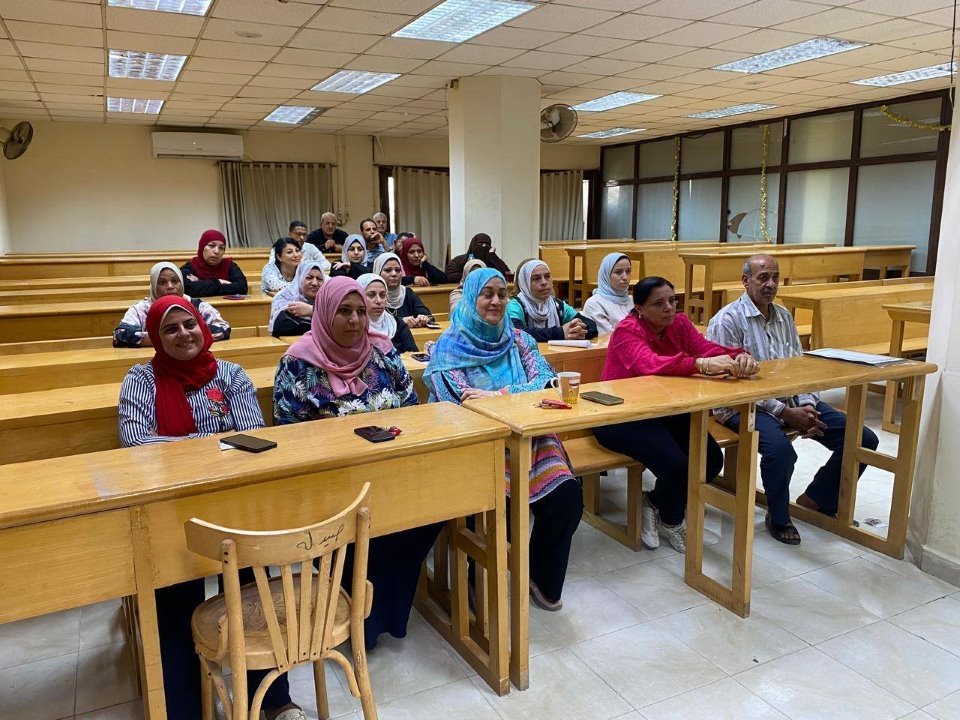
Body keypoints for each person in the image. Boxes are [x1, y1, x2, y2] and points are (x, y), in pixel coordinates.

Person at [118, 295, 303, 720]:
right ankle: (185, 706)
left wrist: (184, 447)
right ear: (155, 337)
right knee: (173, 599)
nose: (183, 334)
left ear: (203, 327)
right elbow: (136, 443)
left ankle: (273, 699)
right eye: (170, 329)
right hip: (169, 507)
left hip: (233, 502)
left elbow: (252, 435)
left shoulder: (230, 373)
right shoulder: (141, 379)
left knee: (253, 590)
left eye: (189, 325)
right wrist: (216, 443)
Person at [272, 276, 442, 649]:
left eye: (361, 312)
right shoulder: (297, 364)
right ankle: (363, 618)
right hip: (331, 482)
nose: (354, 320)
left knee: (437, 506)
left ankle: (384, 611)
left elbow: (413, 411)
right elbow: (289, 438)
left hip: (391, 471)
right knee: (369, 526)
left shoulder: (383, 352)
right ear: (323, 313)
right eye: (344, 311)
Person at [423, 268, 583, 611]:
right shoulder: (448, 347)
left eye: (502, 294)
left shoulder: (519, 339)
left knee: (567, 498)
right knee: (497, 507)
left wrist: (499, 394)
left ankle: (539, 575)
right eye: (487, 294)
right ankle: (476, 577)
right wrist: (515, 396)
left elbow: (546, 382)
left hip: (531, 440)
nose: (496, 301)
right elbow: (459, 402)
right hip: (474, 446)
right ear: (472, 299)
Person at [707, 254, 880, 545]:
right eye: (763, 277)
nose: (771, 284)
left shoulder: (784, 317)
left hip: (788, 399)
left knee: (862, 438)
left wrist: (807, 404)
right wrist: (784, 413)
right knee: (781, 450)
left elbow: (799, 368)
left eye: (775, 277)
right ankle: (778, 516)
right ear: (745, 281)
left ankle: (818, 498)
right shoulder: (728, 319)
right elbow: (731, 384)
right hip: (741, 404)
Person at [593, 276, 758, 553]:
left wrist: (738, 356)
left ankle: (653, 501)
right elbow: (650, 364)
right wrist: (701, 365)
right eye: (659, 303)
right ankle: (672, 521)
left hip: (665, 410)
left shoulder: (678, 323)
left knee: (710, 460)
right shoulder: (627, 331)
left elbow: (706, 349)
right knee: (676, 465)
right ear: (639, 308)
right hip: (620, 416)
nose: (669, 308)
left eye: (672, 301)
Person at [114, 261, 231, 347]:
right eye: (162, 282)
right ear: (153, 286)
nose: (170, 286)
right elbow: (120, 334)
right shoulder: (141, 309)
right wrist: (169, 339)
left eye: (175, 281)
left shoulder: (197, 305)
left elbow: (223, 328)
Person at [507, 259, 598, 342]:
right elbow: (515, 333)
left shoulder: (558, 305)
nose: (544, 282)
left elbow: (591, 326)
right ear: (525, 284)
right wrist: (560, 333)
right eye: (536, 278)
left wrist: (578, 331)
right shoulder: (515, 305)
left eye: (547, 276)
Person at [357, 273, 418, 353]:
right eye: (371, 295)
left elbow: (413, 354)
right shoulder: (354, 327)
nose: (379, 301)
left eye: (382, 295)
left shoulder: (396, 324)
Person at [373, 252, 434, 328]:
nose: (394, 274)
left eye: (398, 270)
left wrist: (424, 318)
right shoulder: (373, 296)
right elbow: (374, 322)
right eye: (388, 270)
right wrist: (401, 321)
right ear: (378, 272)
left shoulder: (407, 293)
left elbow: (428, 316)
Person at [180, 229, 248, 297]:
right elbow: (187, 288)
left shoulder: (229, 266)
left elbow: (242, 287)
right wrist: (219, 282)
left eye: (221, 248)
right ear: (202, 248)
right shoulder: (190, 267)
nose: (216, 251)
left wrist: (203, 286)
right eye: (212, 246)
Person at [268, 260, 325, 337]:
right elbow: (282, 326)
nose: (315, 283)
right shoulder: (284, 297)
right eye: (309, 277)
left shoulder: (326, 299)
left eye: (319, 279)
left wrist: (312, 310)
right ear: (300, 278)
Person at [582, 253, 633, 335]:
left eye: (628, 271)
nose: (625, 277)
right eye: (618, 272)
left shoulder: (633, 300)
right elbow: (609, 336)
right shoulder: (595, 304)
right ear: (606, 274)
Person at [266, 221, 331, 278]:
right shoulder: (279, 247)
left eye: (304, 235)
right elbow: (272, 268)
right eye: (298, 234)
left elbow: (326, 264)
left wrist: (310, 268)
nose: (302, 238)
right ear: (289, 234)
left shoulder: (311, 247)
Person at [446, 233, 511, 283]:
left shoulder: (492, 261)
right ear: (472, 245)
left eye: (486, 245)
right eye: (480, 244)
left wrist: (492, 255)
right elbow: (450, 276)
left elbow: (506, 274)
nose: (483, 247)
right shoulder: (458, 261)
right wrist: (480, 277)